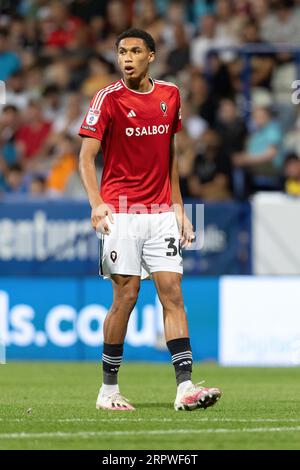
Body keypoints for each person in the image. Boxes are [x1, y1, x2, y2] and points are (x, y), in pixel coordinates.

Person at [78, 28, 221, 411]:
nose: (127, 57)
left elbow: (170, 155)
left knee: (173, 293)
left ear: (151, 56)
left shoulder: (169, 95)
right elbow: (85, 157)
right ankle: (108, 390)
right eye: (121, 51)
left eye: (135, 51)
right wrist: (97, 202)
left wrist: (179, 208)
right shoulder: (107, 98)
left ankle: (185, 387)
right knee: (125, 297)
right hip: (122, 212)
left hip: (160, 212)